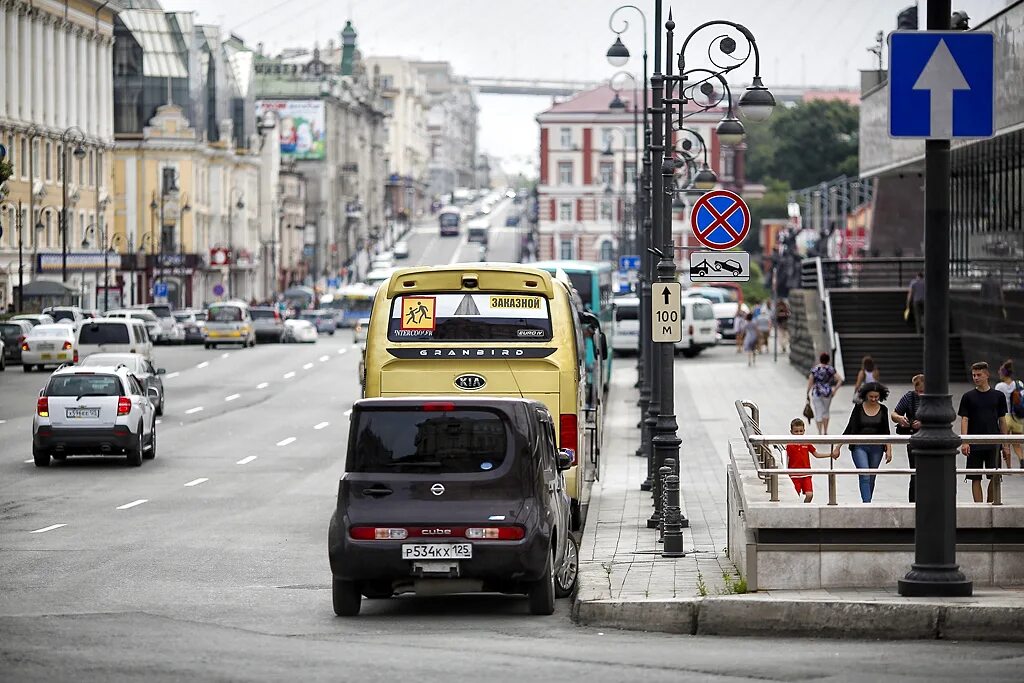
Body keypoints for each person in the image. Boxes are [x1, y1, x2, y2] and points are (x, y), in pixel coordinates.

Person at [958, 361, 1010, 503]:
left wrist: (1005, 445)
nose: (975, 377)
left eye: (979, 374)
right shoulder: (968, 397)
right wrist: (965, 441)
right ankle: (978, 507)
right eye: (973, 375)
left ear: (987, 375)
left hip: (993, 442)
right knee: (975, 477)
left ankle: (990, 503)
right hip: (974, 443)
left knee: (994, 476)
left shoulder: (998, 396)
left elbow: (1002, 420)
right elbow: (964, 419)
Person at [834, 382, 892, 503]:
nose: (873, 399)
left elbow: (886, 431)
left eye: (876, 397)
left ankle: (868, 500)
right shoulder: (858, 408)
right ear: (866, 395)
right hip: (860, 446)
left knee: (872, 477)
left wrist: (889, 450)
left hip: (877, 448)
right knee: (864, 474)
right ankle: (867, 503)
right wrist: (838, 446)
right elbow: (849, 427)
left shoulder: (883, 410)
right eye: (871, 396)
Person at [787, 417, 839, 503]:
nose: (799, 434)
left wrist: (830, 454)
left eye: (801, 431)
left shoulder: (807, 443)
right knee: (795, 495)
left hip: (806, 474)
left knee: (809, 495)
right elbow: (786, 458)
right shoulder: (789, 445)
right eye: (796, 431)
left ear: (804, 431)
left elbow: (816, 454)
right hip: (794, 475)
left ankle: (804, 508)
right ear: (791, 432)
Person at [891, 374, 925, 502]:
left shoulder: (934, 397)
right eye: (917, 391)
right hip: (914, 440)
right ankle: (914, 502)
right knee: (915, 472)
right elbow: (894, 413)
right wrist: (900, 418)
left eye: (922, 391)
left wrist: (924, 422)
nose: (919, 394)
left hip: (931, 440)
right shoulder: (909, 397)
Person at [994, 360, 1024, 469]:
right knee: (1016, 442)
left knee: (1006, 443)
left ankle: (1009, 467)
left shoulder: (999, 386)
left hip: (1005, 417)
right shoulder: (1019, 383)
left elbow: (996, 402)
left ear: (1003, 373)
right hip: (1017, 417)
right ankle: (1022, 460)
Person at [806, 352, 843, 434]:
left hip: (817, 392)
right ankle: (825, 431)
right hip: (827, 392)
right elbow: (840, 380)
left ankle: (819, 432)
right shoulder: (830, 369)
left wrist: (807, 392)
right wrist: (835, 390)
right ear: (828, 360)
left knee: (818, 412)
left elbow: (810, 381)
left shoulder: (815, 369)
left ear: (820, 359)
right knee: (826, 411)